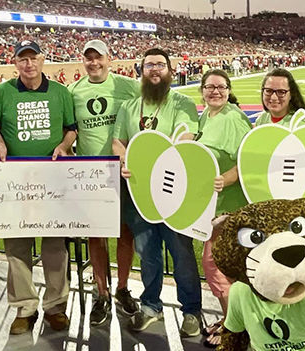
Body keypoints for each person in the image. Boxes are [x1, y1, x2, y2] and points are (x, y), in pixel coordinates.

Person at [112, 48, 203, 337]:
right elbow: (118, 141)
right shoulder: (129, 106)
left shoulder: (182, 102)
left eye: (160, 65)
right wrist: (125, 159)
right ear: (141, 71)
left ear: (170, 70)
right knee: (147, 253)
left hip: (173, 192)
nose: (154, 69)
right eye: (149, 64)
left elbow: (185, 136)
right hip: (139, 191)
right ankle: (150, 305)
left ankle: (191, 310)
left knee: (182, 253)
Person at [0, 40, 76, 335]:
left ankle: (55, 305)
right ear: (15, 63)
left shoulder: (60, 92)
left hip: (52, 178)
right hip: (16, 178)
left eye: (33, 58)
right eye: (22, 59)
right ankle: (25, 307)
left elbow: (71, 128)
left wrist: (64, 146)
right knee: (16, 245)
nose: (28, 64)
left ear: (42, 60)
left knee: (54, 246)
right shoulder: (4, 91)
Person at [65, 40, 141, 326]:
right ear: (83, 61)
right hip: (91, 172)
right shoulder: (74, 91)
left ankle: (122, 287)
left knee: (125, 233)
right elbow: (69, 128)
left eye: (99, 57)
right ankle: (102, 292)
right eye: (89, 58)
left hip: (122, 171)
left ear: (110, 59)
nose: (94, 62)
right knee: (96, 236)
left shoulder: (128, 85)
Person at [195, 69, 251, 348]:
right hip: (215, 205)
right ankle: (233, 321)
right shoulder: (206, 115)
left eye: (221, 87)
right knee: (223, 266)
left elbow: (248, 160)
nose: (215, 91)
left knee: (215, 264)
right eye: (209, 87)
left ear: (229, 90)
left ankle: (234, 328)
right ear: (202, 90)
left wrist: (224, 180)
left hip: (232, 204)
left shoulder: (233, 117)